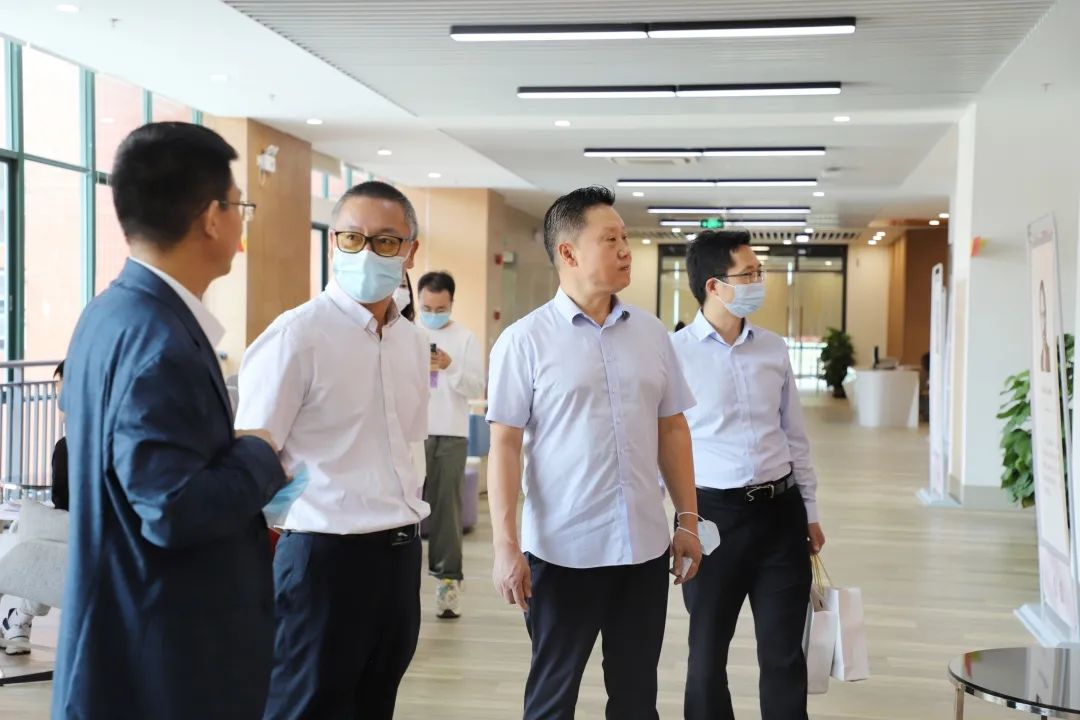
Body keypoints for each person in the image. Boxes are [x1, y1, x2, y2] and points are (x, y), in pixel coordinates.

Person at [52, 122, 288, 720]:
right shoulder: (162, 343)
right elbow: (171, 509)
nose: (240, 223)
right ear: (211, 218)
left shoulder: (110, 313)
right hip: (165, 662)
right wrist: (260, 453)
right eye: (239, 206)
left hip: (121, 639)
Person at [487, 185, 702, 720]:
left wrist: (688, 520)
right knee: (552, 699)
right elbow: (505, 446)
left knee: (636, 698)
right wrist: (506, 545)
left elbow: (672, 429)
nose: (626, 250)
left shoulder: (652, 334)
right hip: (563, 553)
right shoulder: (524, 341)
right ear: (568, 252)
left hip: (643, 549)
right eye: (611, 240)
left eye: (625, 238)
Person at [236, 181, 430, 720]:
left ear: (411, 250)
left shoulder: (412, 342)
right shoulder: (296, 336)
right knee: (305, 707)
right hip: (322, 559)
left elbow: (406, 444)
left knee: (376, 703)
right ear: (332, 243)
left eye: (385, 241)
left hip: (399, 555)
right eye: (351, 238)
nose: (366, 252)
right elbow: (253, 459)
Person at [670, 230, 825, 720]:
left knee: (784, 654)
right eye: (750, 273)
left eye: (760, 272)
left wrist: (810, 511)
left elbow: (795, 435)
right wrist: (677, 523)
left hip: (781, 514)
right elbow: (663, 445)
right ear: (714, 285)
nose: (760, 281)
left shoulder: (773, 348)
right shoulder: (674, 354)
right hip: (713, 518)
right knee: (707, 654)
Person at [417, 270, 485, 619]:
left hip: (451, 433)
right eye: (427, 307)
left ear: (451, 303)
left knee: (447, 512)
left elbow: (476, 388)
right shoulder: (407, 333)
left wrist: (449, 365)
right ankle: (400, 584)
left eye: (440, 308)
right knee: (402, 510)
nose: (433, 313)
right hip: (410, 433)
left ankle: (447, 583)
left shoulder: (465, 338)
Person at [0, 361, 68, 656]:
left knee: (31, 538)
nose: (57, 397)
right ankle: (18, 619)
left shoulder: (69, 447)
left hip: (78, 541)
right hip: (92, 539)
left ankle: (18, 619)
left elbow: (65, 506)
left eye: (60, 389)